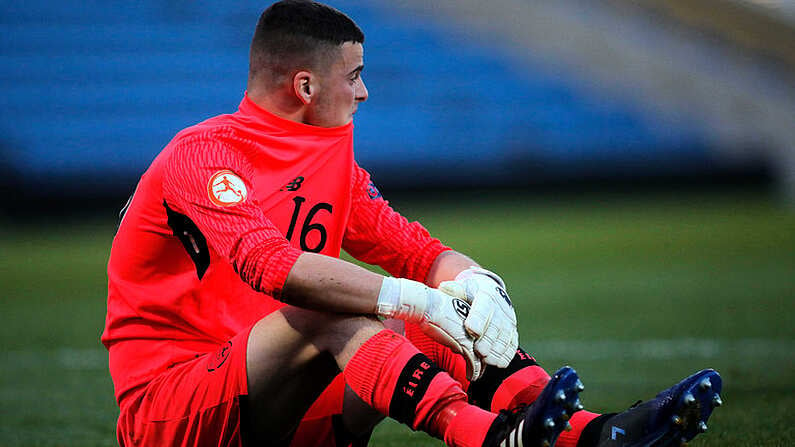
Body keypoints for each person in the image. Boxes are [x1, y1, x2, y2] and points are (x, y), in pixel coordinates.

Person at [101, 1, 722, 446]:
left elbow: (417, 251)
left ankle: (594, 435)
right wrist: (415, 298)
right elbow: (271, 267)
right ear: (306, 85)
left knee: (437, 319)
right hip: (175, 414)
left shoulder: (333, 162)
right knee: (337, 306)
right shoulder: (203, 154)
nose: (365, 92)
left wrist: (477, 284)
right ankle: (483, 438)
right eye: (356, 75)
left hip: (280, 408)